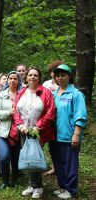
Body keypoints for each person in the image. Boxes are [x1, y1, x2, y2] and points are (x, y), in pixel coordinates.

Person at [13, 68, 55, 199]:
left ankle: (38, 187)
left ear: (39, 78)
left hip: (38, 133)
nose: (32, 77)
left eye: (35, 75)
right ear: (26, 78)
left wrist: (38, 127)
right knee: (27, 158)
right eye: (30, 75)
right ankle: (32, 185)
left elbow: (50, 112)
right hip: (23, 131)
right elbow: (15, 110)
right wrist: (20, 125)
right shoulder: (21, 92)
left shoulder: (46, 93)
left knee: (35, 158)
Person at [51, 64, 87, 199]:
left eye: (63, 75)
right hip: (54, 136)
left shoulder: (76, 94)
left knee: (70, 164)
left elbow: (80, 116)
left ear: (69, 76)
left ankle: (71, 190)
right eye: (57, 75)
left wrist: (76, 134)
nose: (60, 78)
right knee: (58, 163)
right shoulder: (54, 94)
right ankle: (62, 187)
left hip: (69, 136)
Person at [0, 71, 23, 189]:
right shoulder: (1, 95)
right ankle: (5, 181)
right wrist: (8, 113)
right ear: (7, 80)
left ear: (18, 81)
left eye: (15, 79)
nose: (12, 81)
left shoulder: (23, 94)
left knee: (16, 157)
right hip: (3, 131)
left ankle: (14, 179)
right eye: (10, 78)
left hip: (18, 131)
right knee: (4, 157)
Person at [42, 60, 62, 176]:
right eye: (53, 71)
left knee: (59, 144)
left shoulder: (66, 84)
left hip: (60, 119)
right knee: (49, 144)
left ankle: (61, 167)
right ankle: (54, 167)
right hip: (47, 118)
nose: (56, 74)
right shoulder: (46, 84)